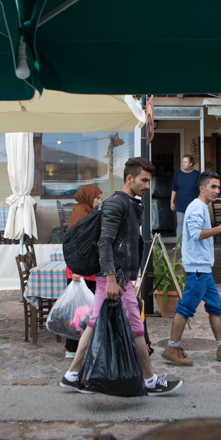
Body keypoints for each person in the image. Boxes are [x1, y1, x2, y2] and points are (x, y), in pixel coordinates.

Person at [60, 157, 182, 395]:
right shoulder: (117, 204)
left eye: (149, 181)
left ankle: (71, 375)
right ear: (129, 178)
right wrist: (112, 280)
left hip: (117, 278)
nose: (147, 185)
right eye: (144, 180)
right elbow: (104, 242)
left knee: (94, 323)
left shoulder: (127, 203)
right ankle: (150, 380)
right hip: (115, 279)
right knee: (136, 326)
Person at [162, 171, 221, 366]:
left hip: (204, 269)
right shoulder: (197, 207)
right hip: (198, 269)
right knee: (185, 308)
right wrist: (220, 229)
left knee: (215, 306)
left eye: (218, 187)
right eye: (213, 187)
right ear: (202, 188)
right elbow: (195, 234)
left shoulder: (201, 207)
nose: (217, 190)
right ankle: (172, 348)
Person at [63, 185, 103, 358]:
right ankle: (72, 348)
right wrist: (75, 271)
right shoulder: (81, 213)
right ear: (89, 197)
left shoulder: (85, 211)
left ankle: (81, 346)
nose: (99, 202)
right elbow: (75, 244)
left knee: (86, 309)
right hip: (79, 270)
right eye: (97, 198)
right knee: (80, 310)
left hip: (83, 268)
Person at [170, 155, 200, 239]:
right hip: (180, 203)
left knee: (192, 224)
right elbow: (174, 189)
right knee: (180, 223)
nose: (183, 163)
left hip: (193, 204)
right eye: (183, 161)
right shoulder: (178, 174)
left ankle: (191, 242)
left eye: (185, 162)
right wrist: (172, 202)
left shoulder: (197, 174)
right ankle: (179, 244)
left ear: (191, 163)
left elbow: (201, 189)